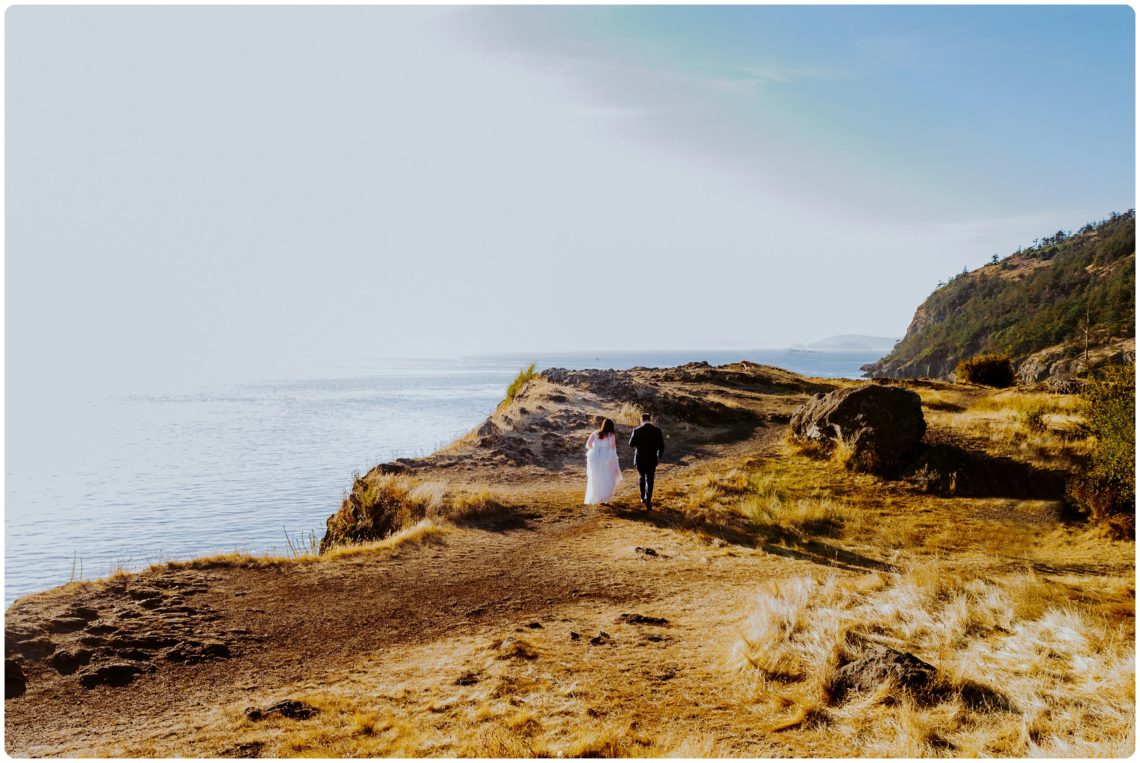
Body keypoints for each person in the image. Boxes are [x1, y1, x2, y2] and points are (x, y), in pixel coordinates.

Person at [628, 413, 665, 510]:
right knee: (650, 479)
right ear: (650, 419)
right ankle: (648, 500)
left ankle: (642, 497)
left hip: (640, 458)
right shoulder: (657, 431)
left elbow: (631, 444)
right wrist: (658, 456)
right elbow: (661, 446)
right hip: (652, 459)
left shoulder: (636, 430)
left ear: (642, 420)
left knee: (641, 478)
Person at [584, 417, 622, 505]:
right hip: (605, 457)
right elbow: (612, 447)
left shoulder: (595, 433)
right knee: (607, 478)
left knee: (595, 477)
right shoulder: (611, 435)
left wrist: (596, 449)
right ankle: (605, 498)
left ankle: (596, 496)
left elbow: (588, 445)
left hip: (594, 458)